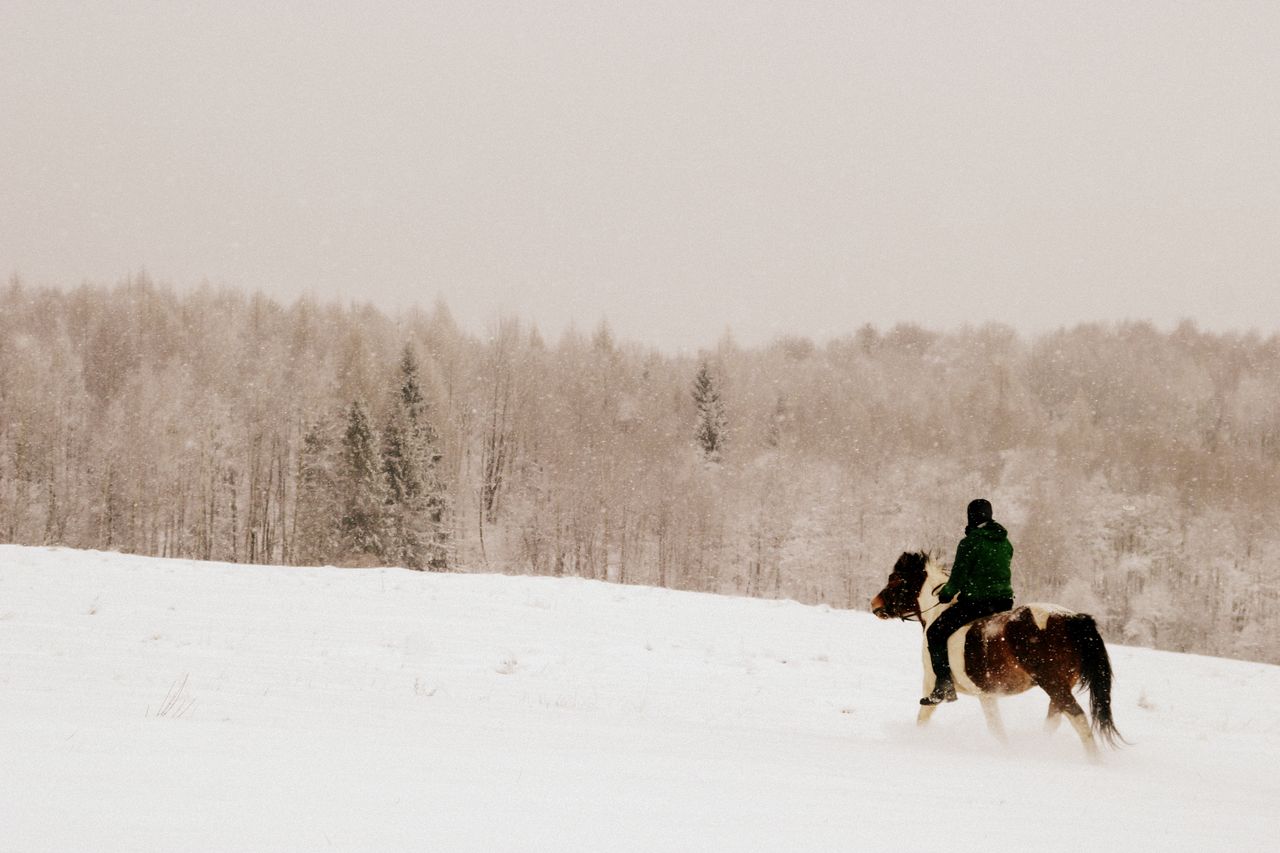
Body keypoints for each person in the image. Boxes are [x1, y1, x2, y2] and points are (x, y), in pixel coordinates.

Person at [920, 498, 1015, 706]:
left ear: (971, 516)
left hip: (978, 604)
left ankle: (943, 684)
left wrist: (946, 594)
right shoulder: (1005, 541)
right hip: (1004, 603)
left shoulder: (970, 542)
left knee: (935, 633)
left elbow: (958, 576)